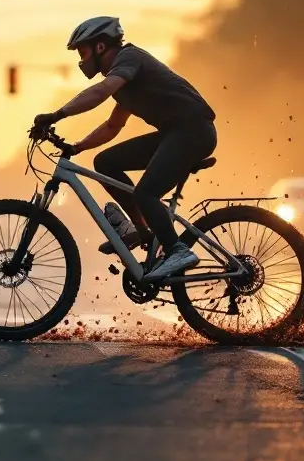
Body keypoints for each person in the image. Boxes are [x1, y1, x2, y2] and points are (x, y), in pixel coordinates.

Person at [33, 16, 218, 281]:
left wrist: (56, 115)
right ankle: (141, 230)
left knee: (146, 193)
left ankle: (178, 250)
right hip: (174, 134)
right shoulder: (125, 81)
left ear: (100, 47)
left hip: (193, 132)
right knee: (106, 162)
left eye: (83, 53)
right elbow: (112, 126)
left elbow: (100, 92)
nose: (80, 61)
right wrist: (78, 147)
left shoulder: (129, 58)